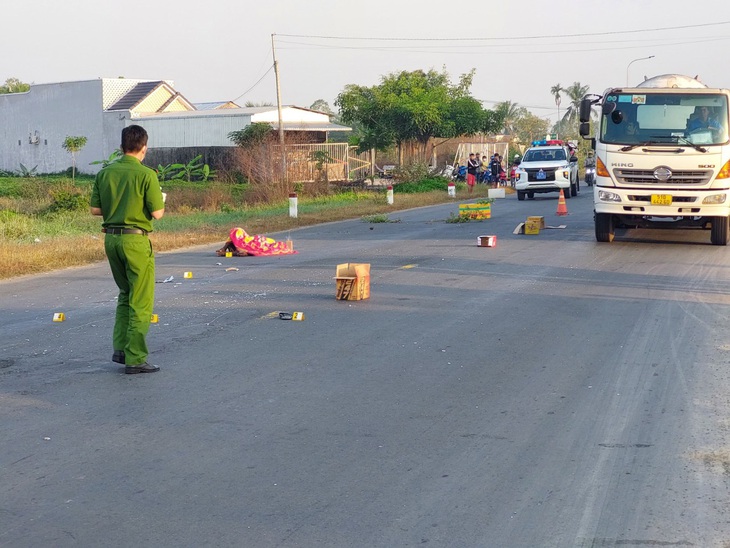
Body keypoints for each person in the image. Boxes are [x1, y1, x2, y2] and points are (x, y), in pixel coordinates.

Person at [90, 125, 165, 374]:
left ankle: (120, 349)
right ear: (144, 147)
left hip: (111, 239)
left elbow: (95, 210)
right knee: (141, 300)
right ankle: (136, 358)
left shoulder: (105, 173)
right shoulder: (147, 175)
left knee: (125, 293)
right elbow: (157, 213)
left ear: (121, 147)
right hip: (135, 240)